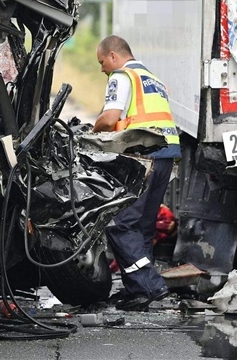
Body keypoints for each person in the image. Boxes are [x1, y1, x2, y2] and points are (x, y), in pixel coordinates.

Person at [93, 35, 181, 311]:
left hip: (143, 157)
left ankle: (151, 286)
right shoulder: (151, 78)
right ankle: (137, 291)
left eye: (102, 62)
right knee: (142, 226)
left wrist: (90, 133)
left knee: (119, 224)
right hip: (166, 155)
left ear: (113, 56)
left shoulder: (122, 76)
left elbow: (109, 118)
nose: (102, 69)